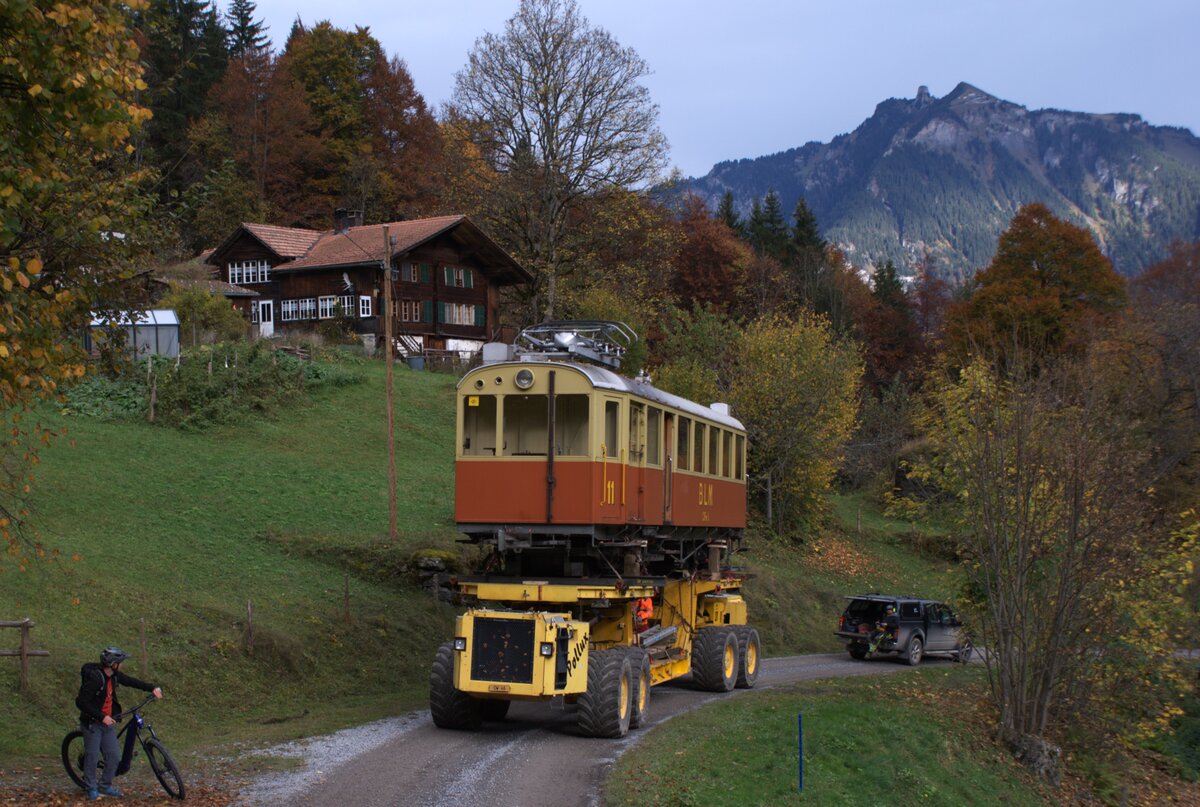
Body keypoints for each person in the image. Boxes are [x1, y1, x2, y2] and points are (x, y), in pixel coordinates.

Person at [75, 647, 163, 801]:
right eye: (120, 663)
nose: (122, 665)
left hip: (108, 723)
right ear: (113, 664)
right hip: (93, 723)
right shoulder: (96, 679)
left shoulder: (114, 676)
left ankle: (105, 785)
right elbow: (81, 702)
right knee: (93, 756)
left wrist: (152, 688)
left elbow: (131, 682)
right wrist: (101, 717)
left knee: (114, 757)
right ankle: (90, 787)